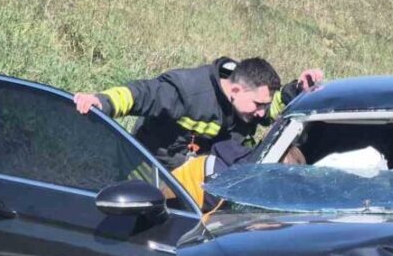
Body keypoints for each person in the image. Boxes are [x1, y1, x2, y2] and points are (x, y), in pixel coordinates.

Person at [73, 57, 322, 172]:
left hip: (203, 174)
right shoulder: (188, 91)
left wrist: (296, 90)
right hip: (153, 169)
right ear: (235, 89)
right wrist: (101, 102)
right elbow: (141, 94)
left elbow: (272, 106)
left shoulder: (244, 100)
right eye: (258, 105)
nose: (261, 114)